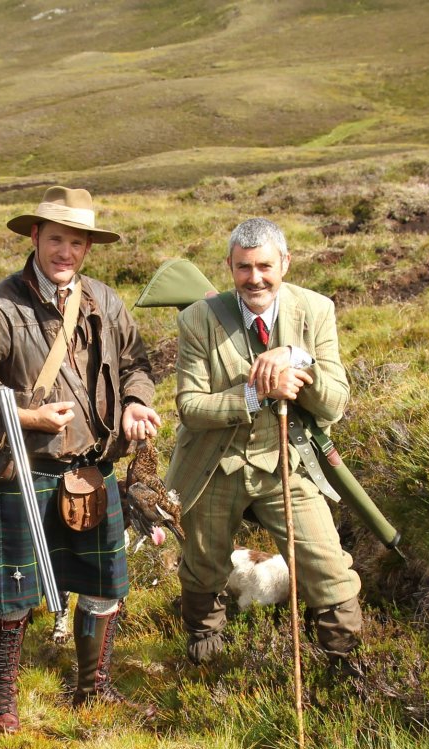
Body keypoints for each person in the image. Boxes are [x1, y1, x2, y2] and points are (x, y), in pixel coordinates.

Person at [0, 186, 162, 741]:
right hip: (25, 468)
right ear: (35, 237)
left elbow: (137, 363)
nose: (67, 251)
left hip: (94, 468)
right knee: (13, 593)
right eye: (57, 238)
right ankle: (2, 697)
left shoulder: (107, 302)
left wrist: (136, 401)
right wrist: (27, 417)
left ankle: (93, 685)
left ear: (88, 246)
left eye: (78, 241)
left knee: (104, 584)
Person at [165, 217, 364, 668]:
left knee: (327, 566)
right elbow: (190, 407)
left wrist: (297, 361)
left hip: (286, 463)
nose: (255, 278)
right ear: (230, 267)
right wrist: (256, 394)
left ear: (286, 263)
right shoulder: (199, 319)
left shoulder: (315, 311)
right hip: (215, 464)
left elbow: (333, 405)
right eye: (243, 267)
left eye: (265, 266)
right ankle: (206, 660)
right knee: (202, 567)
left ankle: (345, 668)